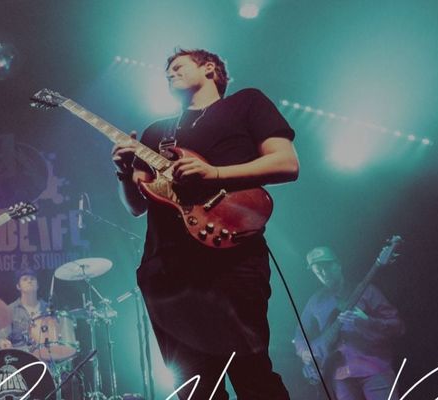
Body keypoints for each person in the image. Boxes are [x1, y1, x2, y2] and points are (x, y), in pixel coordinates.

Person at [113, 48, 299, 399]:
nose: (170, 74)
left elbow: (287, 163)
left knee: (252, 375)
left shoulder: (246, 103)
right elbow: (136, 207)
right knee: (193, 387)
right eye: (166, 72)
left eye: (178, 66)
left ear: (210, 68)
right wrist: (124, 174)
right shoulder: (157, 132)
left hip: (231, 258)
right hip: (167, 270)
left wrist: (214, 173)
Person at [294, 247, 404, 400]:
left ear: (338, 265)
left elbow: (397, 326)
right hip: (340, 377)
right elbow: (299, 335)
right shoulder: (315, 302)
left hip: (374, 369)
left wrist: (367, 321)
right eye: (318, 271)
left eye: (327, 267)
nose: (324, 273)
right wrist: (304, 352)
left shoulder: (367, 291)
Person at [0, 267, 51, 350]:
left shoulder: (48, 309)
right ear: (18, 286)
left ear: (37, 285)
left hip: (45, 353)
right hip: (20, 355)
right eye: (25, 279)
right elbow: (0, 338)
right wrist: (2, 343)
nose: (29, 281)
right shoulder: (10, 310)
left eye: (32, 279)